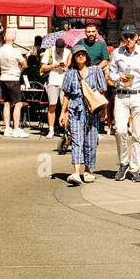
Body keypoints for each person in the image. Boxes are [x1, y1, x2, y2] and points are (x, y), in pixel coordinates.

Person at [108, 23, 140, 182]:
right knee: (121, 131)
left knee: (138, 134)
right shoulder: (117, 53)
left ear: (137, 37)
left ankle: (135, 168)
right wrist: (118, 78)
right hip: (122, 95)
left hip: (139, 95)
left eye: (132, 36)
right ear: (122, 38)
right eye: (126, 36)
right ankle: (123, 163)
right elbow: (111, 73)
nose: (129, 39)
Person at [60, 45, 107, 185]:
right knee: (76, 139)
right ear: (74, 57)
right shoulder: (71, 72)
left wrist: (104, 110)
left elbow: (102, 91)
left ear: (87, 57)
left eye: (83, 54)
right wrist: (63, 112)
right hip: (76, 108)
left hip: (93, 109)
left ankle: (88, 170)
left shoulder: (96, 70)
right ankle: (75, 172)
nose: (80, 56)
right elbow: (66, 94)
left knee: (91, 141)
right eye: (77, 54)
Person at [0, 31, 28, 137]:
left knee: (7, 103)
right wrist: (19, 68)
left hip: (3, 77)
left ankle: (7, 128)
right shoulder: (15, 51)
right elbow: (24, 64)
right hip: (13, 78)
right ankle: (16, 128)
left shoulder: (0, 50)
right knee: (18, 104)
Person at [41, 37, 71, 137]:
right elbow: (43, 67)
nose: (59, 51)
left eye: (61, 49)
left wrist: (65, 66)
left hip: (64, 81)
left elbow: (70, 67)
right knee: (52, 105)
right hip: (52, 81)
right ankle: (51, 130)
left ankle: (66, 130)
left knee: (65, 106)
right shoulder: (49, 51)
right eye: (58, 49)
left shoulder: (68, 52)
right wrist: (54, 65)